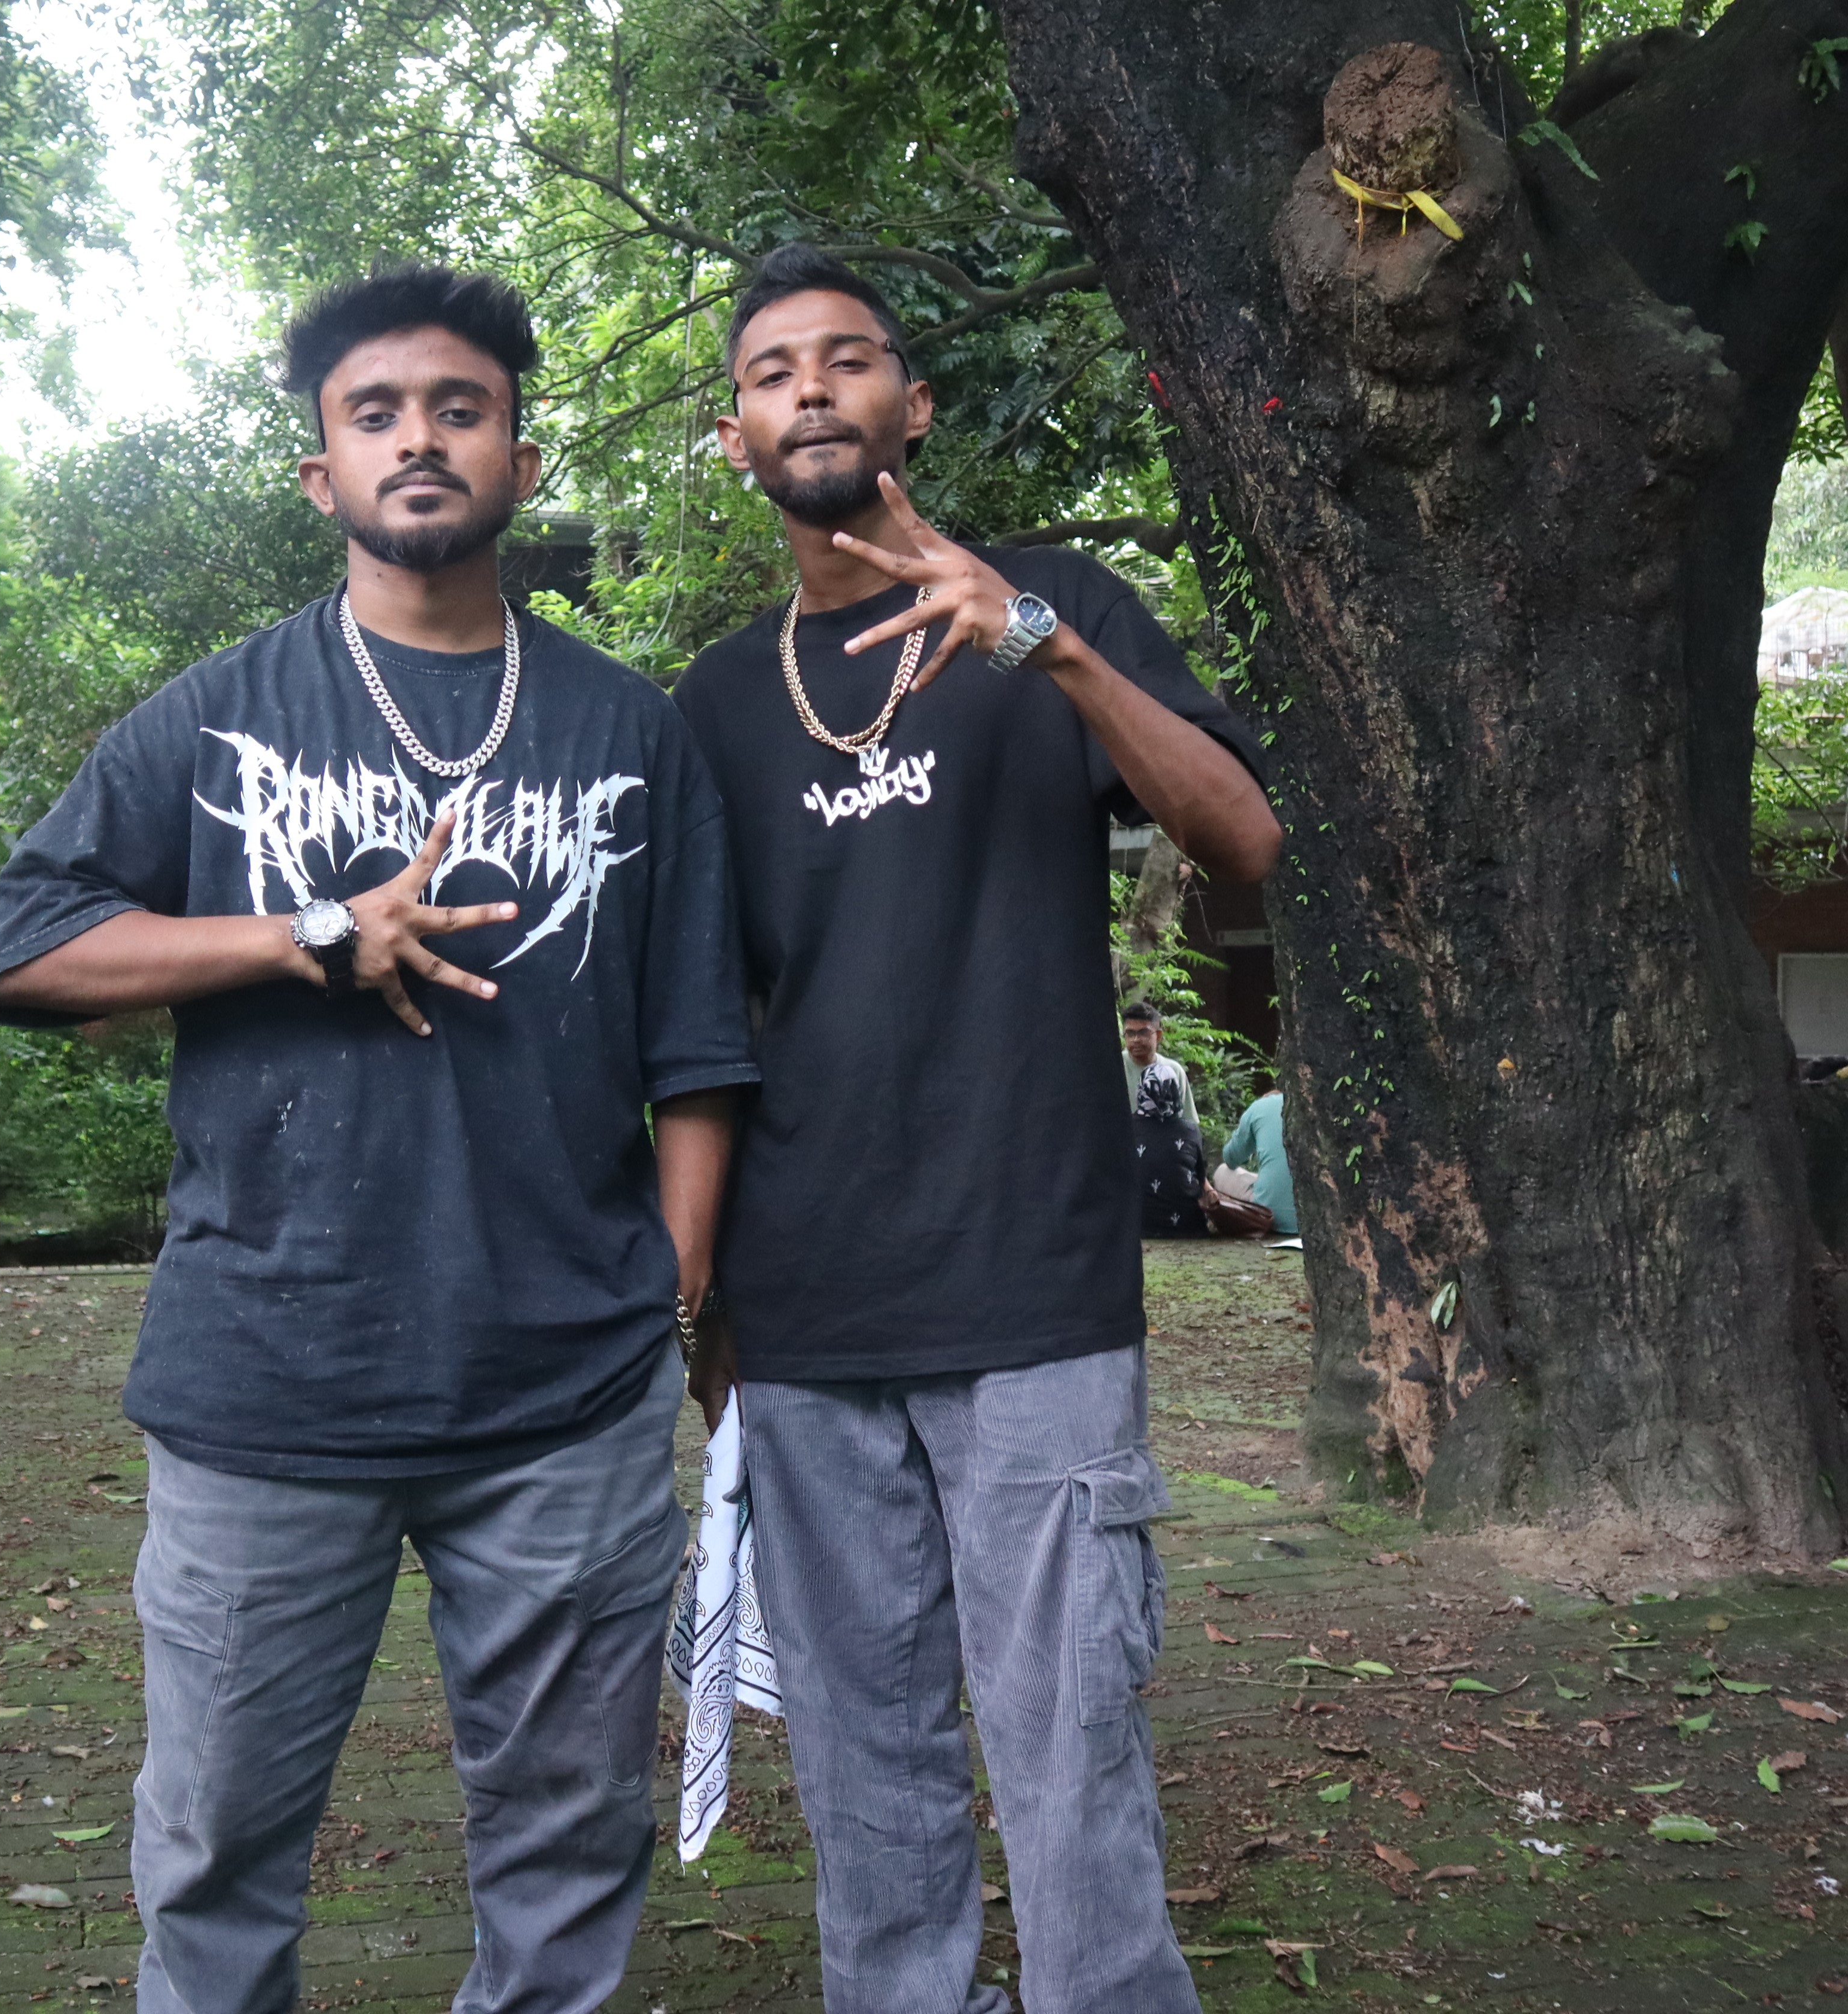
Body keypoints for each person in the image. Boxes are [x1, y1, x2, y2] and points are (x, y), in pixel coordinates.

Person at [0, 267, 757, 2014]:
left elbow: (700, 1049)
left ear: (520, 462)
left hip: (565, 1389)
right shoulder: (218, 718)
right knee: (217, 1843)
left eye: (460, 408)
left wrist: (676, 1293)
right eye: (375, 412)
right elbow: (18, 951)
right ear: (321, 472)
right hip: (268, 1376)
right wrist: (302, 934)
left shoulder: (632, 731)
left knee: (569, 1841)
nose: (419, 438)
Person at [673, 245, 1282, 2014]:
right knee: (862, 1762)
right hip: (809, 1318)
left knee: (1070, 1744)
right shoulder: (713, 706)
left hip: (1035, 1299)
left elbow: (1245, 836)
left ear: (912, 407)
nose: (809, 388)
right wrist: (706, 1307)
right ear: (736, 436)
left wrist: (1043, 643)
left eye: (845, 358)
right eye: (771, 371)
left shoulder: (1055, 606)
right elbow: (704, 1026)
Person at [1120, 1002, 1209, 1238]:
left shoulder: (1174, 1071)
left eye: (1143, 1033)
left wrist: (1205, 1184)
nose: (1136, 1040)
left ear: (1158, 1035)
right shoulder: (1115, 1068)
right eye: (1130, 1033)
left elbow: (1190, 1129)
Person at [1217, 1085, 1299, 1237]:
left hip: (1267, 1214)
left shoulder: (1260, 1107)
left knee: (1222, 1172)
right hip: (1315, 1217)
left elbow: (1230, 1159)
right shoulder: (1320, 1109)